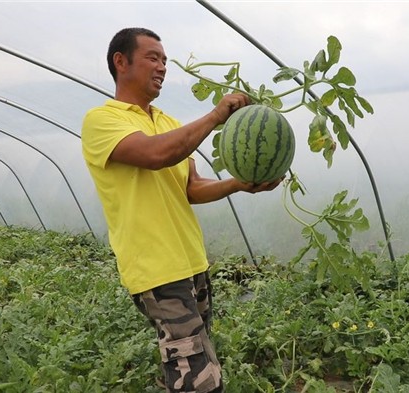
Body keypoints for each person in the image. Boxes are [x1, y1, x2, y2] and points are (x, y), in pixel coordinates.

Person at [81, 27, 282, 393]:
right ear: (120, 62)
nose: (161, 67)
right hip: (156, 270)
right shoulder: (102, 121)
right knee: (198, 380)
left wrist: (239, 183)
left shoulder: (168, 123)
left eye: (164, 61)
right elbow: (156, 155)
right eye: (152, 58)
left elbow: (191, 187)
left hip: (192, 263)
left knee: (197, 359)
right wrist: (215, 115)